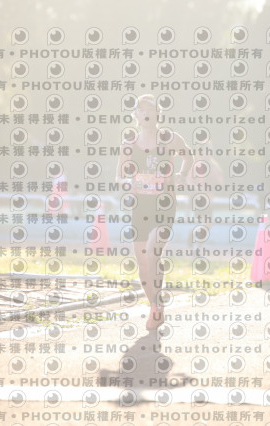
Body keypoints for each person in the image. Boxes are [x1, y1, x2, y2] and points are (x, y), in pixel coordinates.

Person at [115, 94, 194, 330]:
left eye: (151, 109)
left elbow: (188, 156)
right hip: (140, 206)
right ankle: (156, 307)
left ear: (158, 113)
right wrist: (127, 183)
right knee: (142, 265)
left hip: (164, 205)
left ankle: (157, 305)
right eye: (142, 110)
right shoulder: (129, 144)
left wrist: (182, 174)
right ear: (136, 115)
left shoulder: (170, 139)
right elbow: (119, 177)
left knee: (152, 253)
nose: (146, 113)